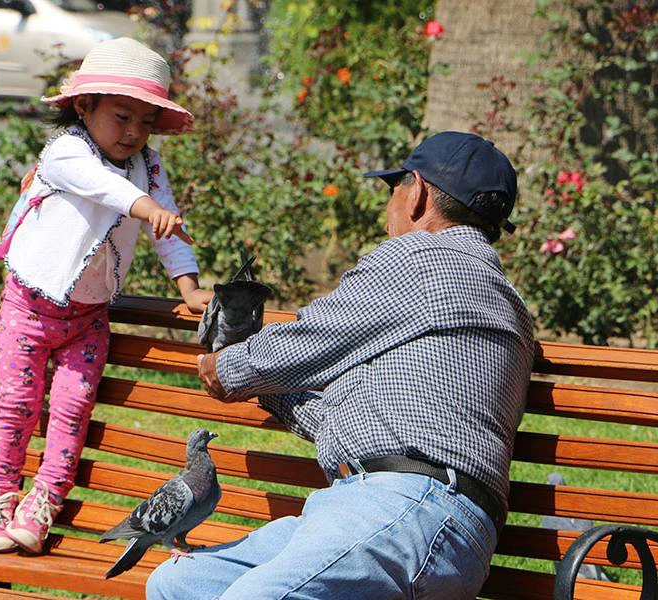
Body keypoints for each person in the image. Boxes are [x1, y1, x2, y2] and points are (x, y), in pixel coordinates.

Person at [146, 131, 536, 599]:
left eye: (393, 188)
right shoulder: (503, 304)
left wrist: (227, 367)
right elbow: (348, 416)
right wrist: (262, 387)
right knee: (180, 585)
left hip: (411, 510)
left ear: (418, 193)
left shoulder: (420, 257)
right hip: (397, 515)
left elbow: (307, 339)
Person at [0, 37, 213, 555]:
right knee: (17, 405)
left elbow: (166, 231)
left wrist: (189, 286)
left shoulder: (149, 170)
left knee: (71, 410)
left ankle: (42, 504)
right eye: (122, 116)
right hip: (28, 309)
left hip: (87, 320)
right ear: (85, 106)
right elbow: (100, 187)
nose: (134, 133)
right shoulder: (65, 152)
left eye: (146, 122)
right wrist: (144, 207)